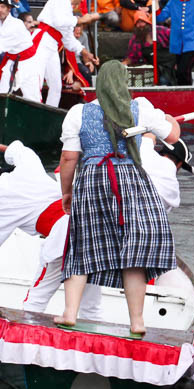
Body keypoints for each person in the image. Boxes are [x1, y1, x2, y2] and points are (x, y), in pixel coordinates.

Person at [56, 61, 179, 335]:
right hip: (131, 180)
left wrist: (66, 191)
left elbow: (68, 158)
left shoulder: (79, 113)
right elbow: (172, 136)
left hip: (91, 179)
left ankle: (69, 313)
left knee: (81, 246)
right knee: (133, 253)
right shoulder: (141, 108)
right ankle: (137, 322)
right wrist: (170, 120)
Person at [0, 140, 103, 318]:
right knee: (90, 305)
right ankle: (92, 343)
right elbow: (20, 150)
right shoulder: (26, 167)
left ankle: (24, 342)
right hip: (92, 227)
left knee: (35, 300)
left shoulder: (3, 203)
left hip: (63, 235)